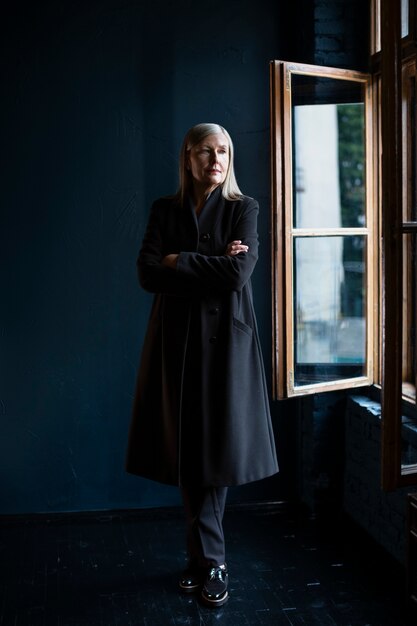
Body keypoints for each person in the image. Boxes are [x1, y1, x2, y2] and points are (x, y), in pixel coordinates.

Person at [126, 122, 278, 608]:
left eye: (225, 151)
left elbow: (237, 275)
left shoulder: (244, 208)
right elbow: (147, 273)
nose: (218, 159)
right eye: (208, 151)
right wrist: (204, 259)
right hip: (176, 342)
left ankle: (209, 560)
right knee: (187, 444)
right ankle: (203, 558)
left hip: (226, 343)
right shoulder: (164, 210)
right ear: (188, 156)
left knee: (214, 446)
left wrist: (180, 261)